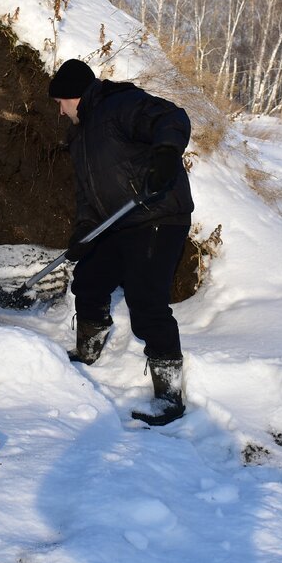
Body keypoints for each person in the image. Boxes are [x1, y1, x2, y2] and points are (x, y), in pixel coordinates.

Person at [48, 58, 194, 426]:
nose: (59, 110)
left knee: (146, 299)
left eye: (60, 101)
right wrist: (84, 232)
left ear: (74, 96)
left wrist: (164, 154)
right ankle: (88, 350)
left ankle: (169, 397)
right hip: (120, 223)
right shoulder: (80, 137)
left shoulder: (120, 105)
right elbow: (89, 196)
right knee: (90, 279)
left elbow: (172, 118)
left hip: (157, 215)